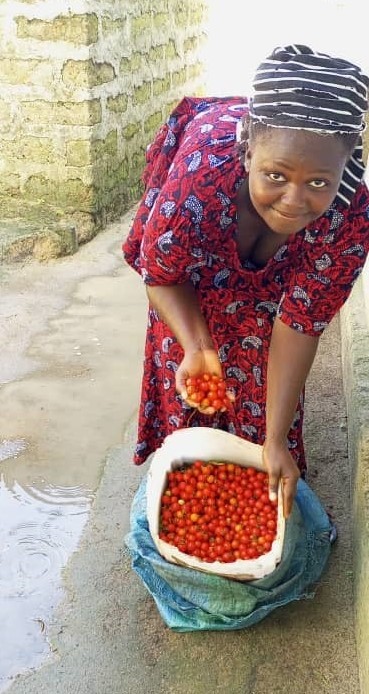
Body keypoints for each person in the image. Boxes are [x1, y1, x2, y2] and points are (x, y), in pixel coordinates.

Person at [123, 44, 369, 520]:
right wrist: (196, 345)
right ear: (248, 146)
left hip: (268, 289)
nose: (294, 201)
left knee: (259, 394)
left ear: (346, 164)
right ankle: (185, 467)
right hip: (194, 271)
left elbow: (299, 322)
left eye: (320, 181)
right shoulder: (198, 179)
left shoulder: (348, 218)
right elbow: (163, 274)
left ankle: (262, 457)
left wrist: (275, 440)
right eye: (275, 175)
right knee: (192, 372)